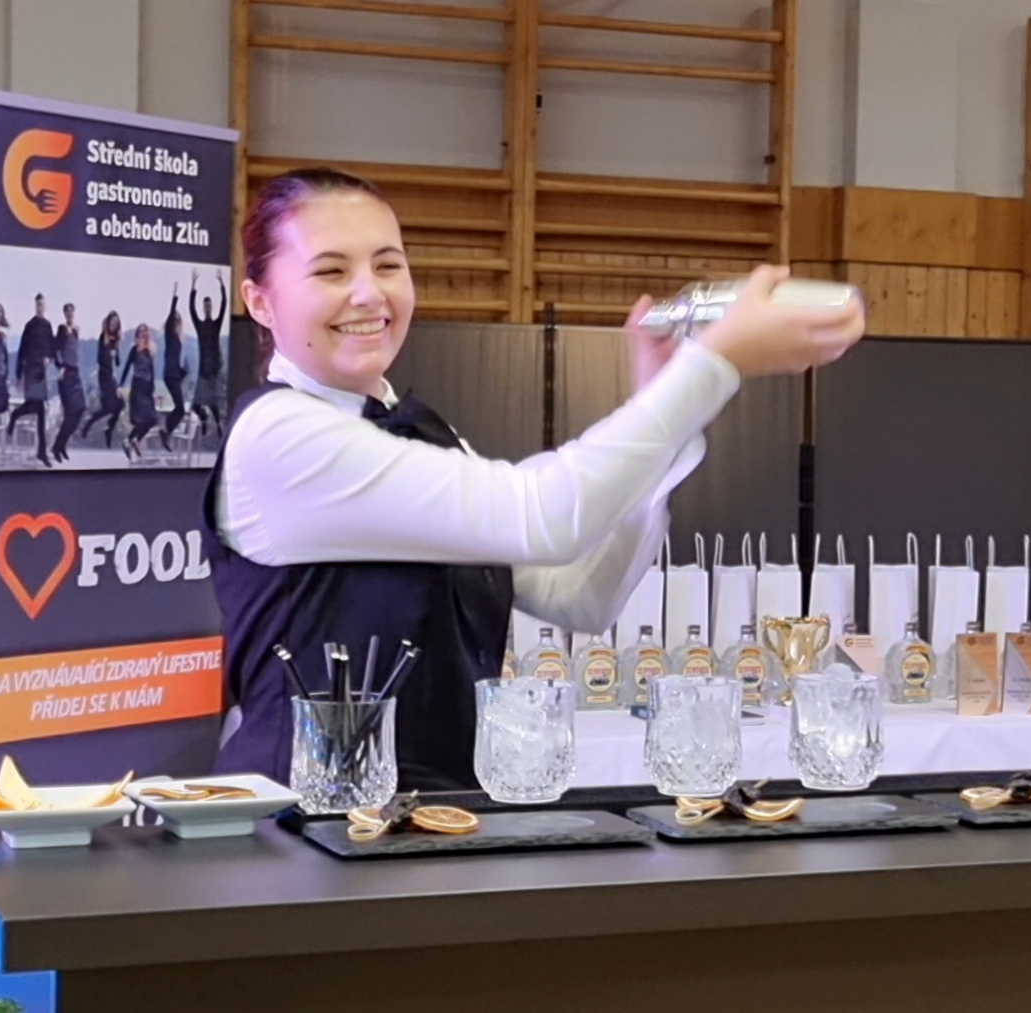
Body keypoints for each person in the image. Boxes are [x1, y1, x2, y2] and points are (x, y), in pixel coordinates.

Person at [205, 168, 864, 790]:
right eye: (331, 270)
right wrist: (713, 365)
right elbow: (543, 516)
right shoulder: (279, 437)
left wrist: (665, 408)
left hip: (430, 819)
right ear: (260, 301)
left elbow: (579, 595)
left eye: (388, 265)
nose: (369, 293)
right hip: (306, 829)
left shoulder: (419, 431)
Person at [8, 294, 55, 467]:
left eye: (42, 304)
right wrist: (18, 375)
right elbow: (22, 351)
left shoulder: (48, 326)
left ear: (45, 306)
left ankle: (16, 415)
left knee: (39, 409)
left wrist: (49, 359)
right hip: (30, 371)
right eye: (38, 305)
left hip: (41, 373)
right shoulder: (29, 326)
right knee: (37, 408)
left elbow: (52, 348)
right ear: (35, 306)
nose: (40, 307)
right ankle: (41, 451)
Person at [190, 268, 229, 435]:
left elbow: (224, 305)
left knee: (212, 401)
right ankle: (205, 419)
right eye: (205, 306)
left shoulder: (215, 324)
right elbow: (191, 310)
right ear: (203, 308)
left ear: (211, 308)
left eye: (209, 305)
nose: (207, 308)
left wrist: (222, 284)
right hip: (203, 369)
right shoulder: (200, 326)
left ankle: (218, 423)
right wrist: (193, 287)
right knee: (196, 404)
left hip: (212, 367)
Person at [80, 311, 125, 445]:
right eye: (112, 322)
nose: (113, 325)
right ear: (108, 322)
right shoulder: (103, 337)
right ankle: (92, 424)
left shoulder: (115, 339)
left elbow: (117, 363)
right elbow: (100, 359)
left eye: (116, 323)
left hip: (111, 374)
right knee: (111, 406)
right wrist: (109, 353)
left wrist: (116, 352)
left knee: (118, 405)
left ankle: (106, 427)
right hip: (104, 375)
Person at [51, 302, 86, 462]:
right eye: (67, 312)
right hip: (66, 375)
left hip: (76, 373)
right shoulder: (62, 329)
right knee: (70, 412)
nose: (70, 314)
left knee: (80, 408)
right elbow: (54, 350)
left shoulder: (77, 329)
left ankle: (61, 444)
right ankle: (57, 446)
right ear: (64, 314)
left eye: (72, 312)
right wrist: (60, 367)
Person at [118, 323, 159, 458]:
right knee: (142, 419)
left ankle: (133, 439)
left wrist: (153, 387)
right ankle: (130, 440)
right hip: (138, 386)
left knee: (152, 419)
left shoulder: (149, 352)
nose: (144, 336)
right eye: (141, 333)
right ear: (137, 336)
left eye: (145, 333)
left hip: (148, 388)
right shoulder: (134, 350)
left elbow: (152, 371)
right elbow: (126, 367)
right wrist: (120, 385)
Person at [161, 285, 188, 449]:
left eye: (178, 321)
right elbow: (170, 317)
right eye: (175, 321)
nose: (177, 323)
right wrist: (174, 300)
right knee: (180, 409)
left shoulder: (177, 340)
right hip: (170, 375)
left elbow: (175, 360)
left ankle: (166, 431)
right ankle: (166, 430)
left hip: (174, 374)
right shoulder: (170, 335)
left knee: (180, 409)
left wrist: (183, 372)